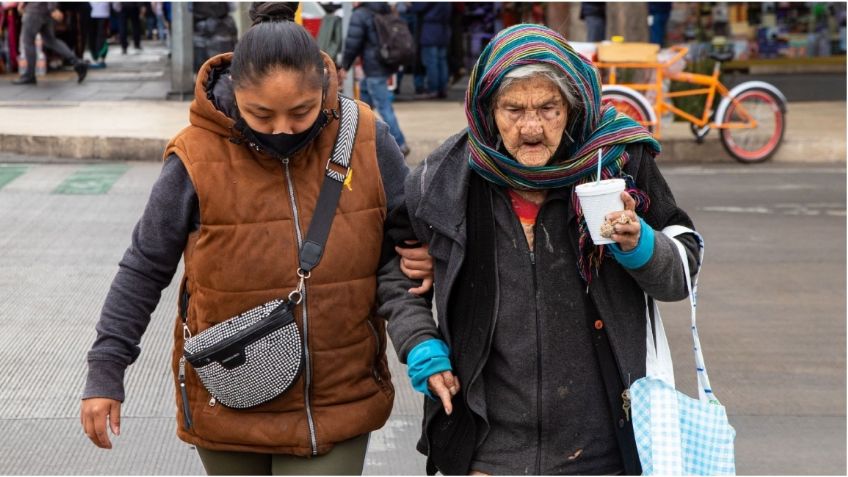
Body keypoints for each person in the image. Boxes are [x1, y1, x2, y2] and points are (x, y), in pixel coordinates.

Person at [79, 3, 432, 475]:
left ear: (323, 92)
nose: (282, 129)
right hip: (226, 391)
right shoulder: (194, 155)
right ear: (234, 92)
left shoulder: (366, 135)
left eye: (302, 112)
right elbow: (144, 267)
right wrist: (106, 371)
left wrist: (429, 253)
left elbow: (411, 228)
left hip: (336, 397)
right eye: (261, 114)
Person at [377, 24, 701, 475]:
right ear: (488, 109)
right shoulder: (444, 178)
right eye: (513, 109)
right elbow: (396, 273)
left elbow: (683, 269)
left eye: (548, 108)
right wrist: (420, 345)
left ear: (572, 106)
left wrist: (639, 242)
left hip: (601, 445)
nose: (531, 128)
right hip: (486, 447)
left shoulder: (618, 163)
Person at [339, 2, 411, 157]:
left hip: (373, 68)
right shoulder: (383, 8)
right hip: (383, 63)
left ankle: (400, 143)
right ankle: (357, 137)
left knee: (384, 106)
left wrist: (344, 66)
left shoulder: (360, 14)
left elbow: (353, 43)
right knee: (363, 105)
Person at [12, 2, 88, 85]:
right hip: (45, 12)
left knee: (28, 42)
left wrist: (52, 8)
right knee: (50, 40)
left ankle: (29, 75)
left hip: (35, 10)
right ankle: (77, 62)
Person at [410, 2, 451, 99]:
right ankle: (442, 89)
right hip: (443, 30)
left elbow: (418, 7)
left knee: (431, 62)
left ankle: (433, 89)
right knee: (442, 61)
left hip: (429, 30)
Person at [88, 2, 110, 68]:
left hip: (103, 12)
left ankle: (101, 57)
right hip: (90, 11)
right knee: (92, 36)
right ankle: (95, 57)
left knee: (101, 35)